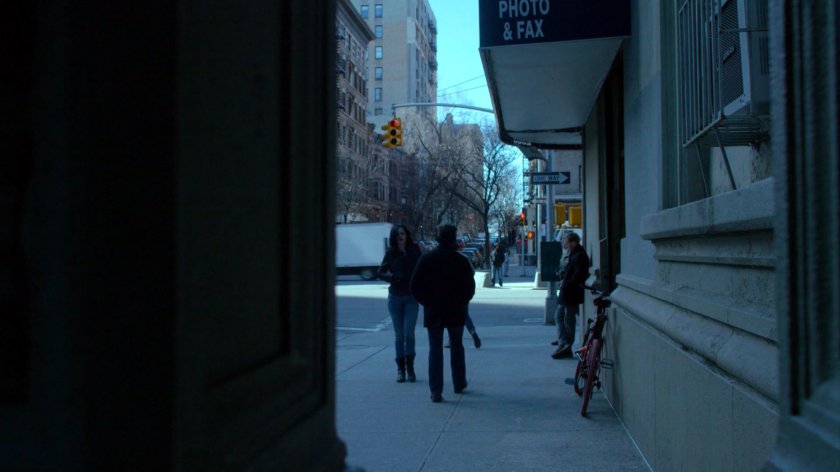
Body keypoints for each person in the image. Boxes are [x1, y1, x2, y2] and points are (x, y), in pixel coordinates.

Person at [410, 224, 476, 403]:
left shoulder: (427, 259)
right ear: (454, 238)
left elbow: (415, 286)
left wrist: (427, 302)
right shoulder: (461, 261)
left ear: (438, 238)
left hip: (434, 311)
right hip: (455, 310)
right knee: (457, 346)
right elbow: (470, 288)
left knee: (435, 349)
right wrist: (462, 301)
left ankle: (436, 390)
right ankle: (459, 382)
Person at [378, 224, 422, 382]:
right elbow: (380, 272)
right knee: (399, 336)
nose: (400, 236)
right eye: (397, 234)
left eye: (403, 233)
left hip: (411, 297)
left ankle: (410, 368)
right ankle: (400, 370)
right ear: (394, 237)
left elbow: (422, 268)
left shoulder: (415, 250)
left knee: (408, 333)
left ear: (407, 235)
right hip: (395, 297)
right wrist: (392, 278)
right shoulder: (390, 253)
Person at [551, 232, 590, 359]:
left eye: (567, 242)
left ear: (574, 242)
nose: (565, 244)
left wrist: (568, 283)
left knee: (568, 319)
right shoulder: (572, 254)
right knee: (560, 316)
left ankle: (567, 345)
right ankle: (563, 342)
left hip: (570, 293)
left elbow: (579, 274)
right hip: (567, 291)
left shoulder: (579, 255)